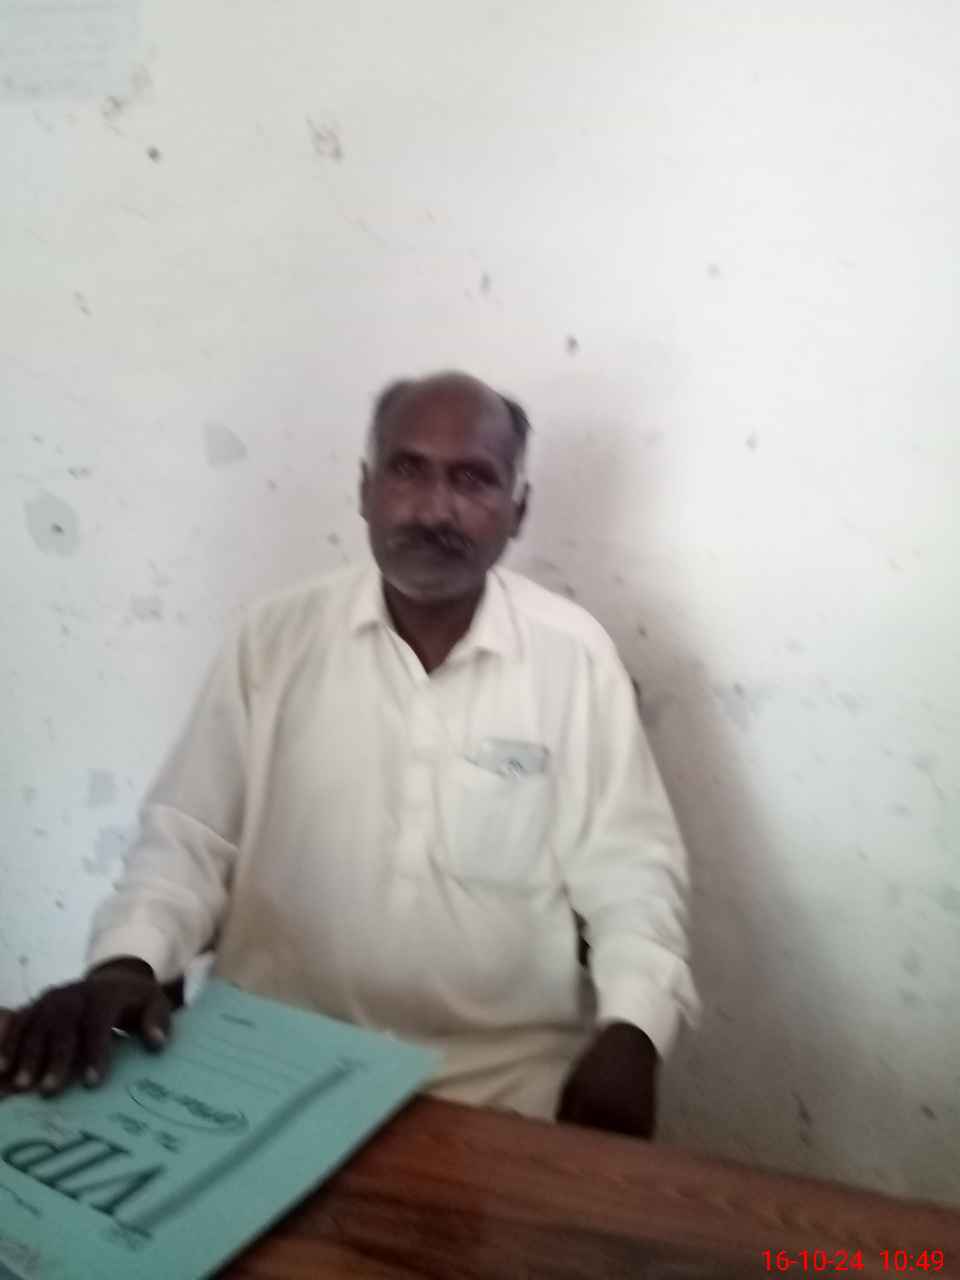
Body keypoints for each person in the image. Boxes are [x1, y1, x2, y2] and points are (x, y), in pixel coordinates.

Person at [0, 371, 699, 1136]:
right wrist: (129, 961)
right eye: (408, 471)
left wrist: (634, 1029)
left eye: (472, 479)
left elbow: (633, 875)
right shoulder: (274, 641)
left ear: (518, 509)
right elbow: (186, 841)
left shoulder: (575, 660)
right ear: (366, 490)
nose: (434, 509)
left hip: (495, 1090)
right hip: (260, 1070)